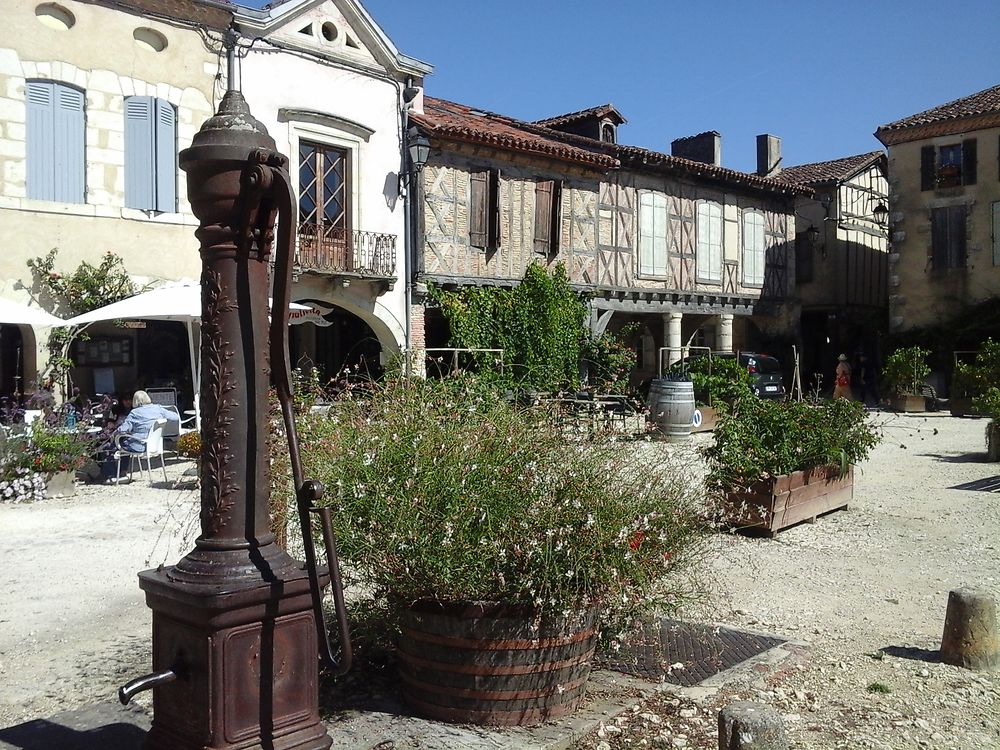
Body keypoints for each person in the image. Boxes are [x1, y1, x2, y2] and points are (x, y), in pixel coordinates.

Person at [100, 390, 179, 483]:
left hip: (138, 445)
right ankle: (122, 472)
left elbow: (123, 429)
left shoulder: (135, 413)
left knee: (108, 447)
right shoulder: (158, 409)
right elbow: (175, 417)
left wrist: (114, 433)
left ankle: (112, 475)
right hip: (154, 444)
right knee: (123, 443)